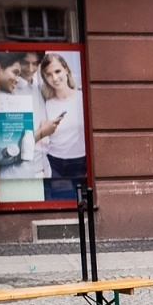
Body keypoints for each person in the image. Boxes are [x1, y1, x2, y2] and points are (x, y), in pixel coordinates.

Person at [0, 52, 57, 202]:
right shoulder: (4, 101)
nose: (17, 80)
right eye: (15, 73)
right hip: (19, 182)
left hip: (28, 177)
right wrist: (41, 133)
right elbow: (6, 155)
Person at [38, 53, 87, 201]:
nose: (54, 78)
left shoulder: (82, 98)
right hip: (55, 164)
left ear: (66, 69)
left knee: (82, 207)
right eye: (48, 74)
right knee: (61, 206)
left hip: (81, 163)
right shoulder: (45, 102)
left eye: (57, 71)